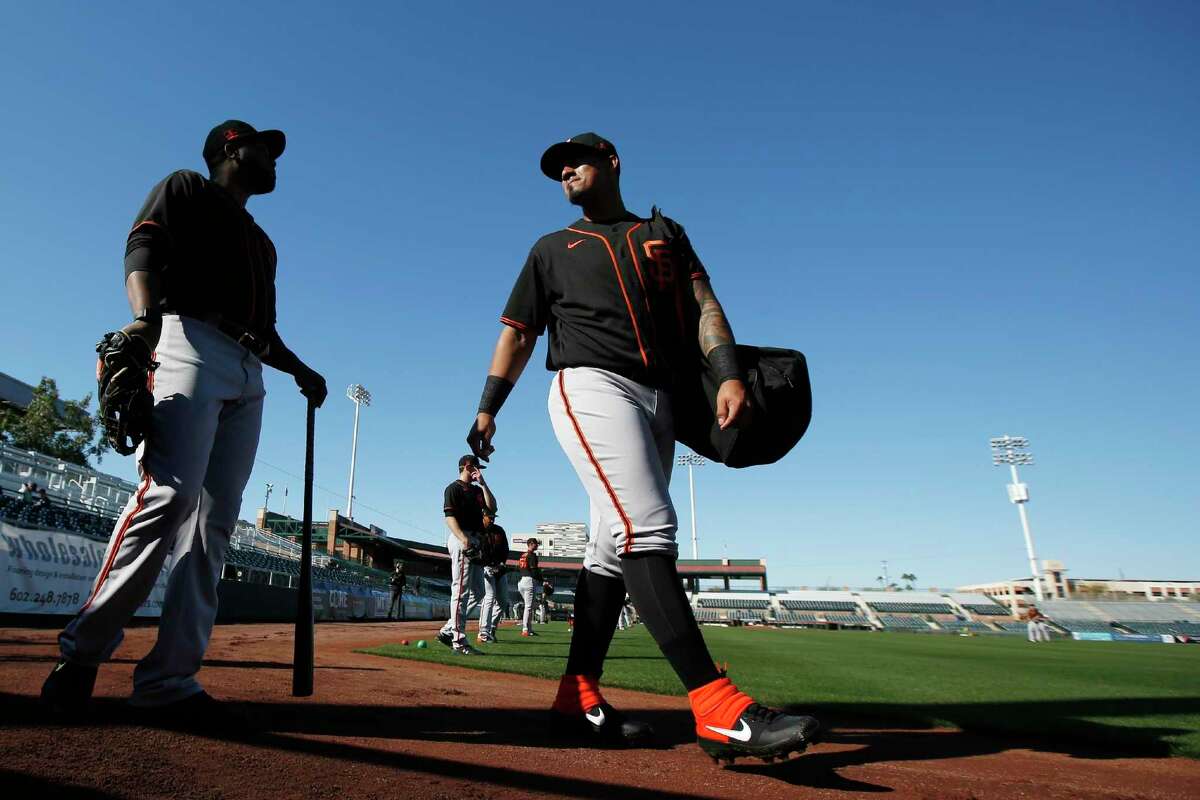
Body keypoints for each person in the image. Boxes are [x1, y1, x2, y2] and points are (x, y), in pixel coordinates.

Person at [465, 132, 820, 761]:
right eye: (558, 168)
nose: (566, 170)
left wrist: (731, 370)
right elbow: (516, 334)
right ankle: (717, 707)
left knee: (609, 547)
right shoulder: (551, 248)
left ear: (612, 162)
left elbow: (703, 303)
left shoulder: (662, 232)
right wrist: (488, 408)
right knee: (649, 527)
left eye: (576, 159)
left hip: (663, 398)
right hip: (591, 384)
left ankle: (576, 697)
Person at [41, 120, 327, 724]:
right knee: (169, 495)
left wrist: (302, 370)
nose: (273, 160)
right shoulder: (187, 188)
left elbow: (266, 330)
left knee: (213, 526)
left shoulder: (263, 241)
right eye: (262, 149)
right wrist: (144, 320)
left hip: (251, 367)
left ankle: (169, 679)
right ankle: (83, 653)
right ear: (230, 150)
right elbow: (143, 247)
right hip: (188, 339)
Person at [436, 455, 494, 655]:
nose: (480, 471)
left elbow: (492, 507)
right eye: (478, 468)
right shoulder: (453, 488)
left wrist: (484, 484)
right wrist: (463, 539)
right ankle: (459, 641)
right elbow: (449, 518)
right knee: (460, 591)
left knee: (478, 592)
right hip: (463, 538)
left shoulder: (478, 490)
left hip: (475, 539)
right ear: (468, 467)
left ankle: (447, 630)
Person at [476, 509, 508, 643]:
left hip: (499, 569)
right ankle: (483, 632)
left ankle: (492, 629)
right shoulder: (477, 530)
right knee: (489, 598)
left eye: (493, 517)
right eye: (489, 517)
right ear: (482, 516)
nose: (492, 519)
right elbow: (478, 551)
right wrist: (486, 565)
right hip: (486, 568)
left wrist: (501, 563)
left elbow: (505, 549)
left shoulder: (499, 530)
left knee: (502, 602)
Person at [517, 538, 542, 636]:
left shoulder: (523, 555)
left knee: (529, 606)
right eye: (536, 544)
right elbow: (534, 570)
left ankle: (529, 629)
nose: (537, 545)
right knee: (528, 607)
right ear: (531, 544)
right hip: (529, 581)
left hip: (521, 581)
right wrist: (542, 580)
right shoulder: (532, 555)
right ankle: (525, 629)